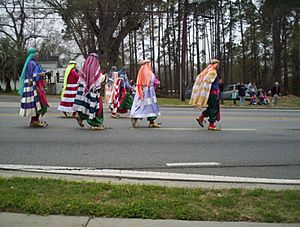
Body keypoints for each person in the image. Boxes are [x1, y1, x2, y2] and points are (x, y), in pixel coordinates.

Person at [72, 53, 106, 130]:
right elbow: (97, 80)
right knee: (96, 106)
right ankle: (95, 124)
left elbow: (82, 79)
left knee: (84, 104)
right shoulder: (95, 67)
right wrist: (104, 76)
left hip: (84, 92)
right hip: (93, 92)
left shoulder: (85, 67)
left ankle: (80, 116)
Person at [19, 47, 49, 127]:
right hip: (33, 86)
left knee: (35, 103)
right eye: (36, 52)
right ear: (33, 54)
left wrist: (42, 73)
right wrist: (41, 74)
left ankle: (34, 120)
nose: (37, 54)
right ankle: (35, 120)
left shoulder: (31, 63)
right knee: (38, 103)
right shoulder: (32, 63)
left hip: (33, 86)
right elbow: (33, 76)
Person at [189, 59, 221, 131]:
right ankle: (211, 125)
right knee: (214, 109)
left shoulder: (207, 71)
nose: (218, 66)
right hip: (213, 93)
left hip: (211, 93)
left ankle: (201, 117)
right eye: (218, 64)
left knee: (211, 107)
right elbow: (207, 80)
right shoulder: (212, 72)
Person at [130, 59, 161, 128]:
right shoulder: (149, 73)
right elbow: (154, 81)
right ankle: (151, 122)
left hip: (141, 92)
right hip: (149, 93)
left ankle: (136, 117)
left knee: (141, 106)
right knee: (151, 107)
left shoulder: (141, 73)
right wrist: (158, 83)